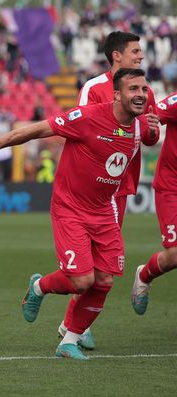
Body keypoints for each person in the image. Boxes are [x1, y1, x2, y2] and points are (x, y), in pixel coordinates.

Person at [0, 68, 159, 360]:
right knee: (82, 280)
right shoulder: (87, 117)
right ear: (117, 94)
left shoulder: (140, 125)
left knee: (104, 280)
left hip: (104, 209)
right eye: (133, 89)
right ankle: (38, 287)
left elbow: (151, 135)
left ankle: (68, 341)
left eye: (144, 90)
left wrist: (155, 128)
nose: (141, 95)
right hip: (70, 207)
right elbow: (36, 130)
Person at [60, 31, 159, 350]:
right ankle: (72, 325)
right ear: (117, 56)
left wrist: (153, 133)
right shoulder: (93, 87)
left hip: (120, 183)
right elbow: (77, 128)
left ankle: (72, 325)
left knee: (102, 264)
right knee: (87, 263)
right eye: (135, 51)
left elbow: (147, 136)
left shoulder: (144, 89)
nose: (140, 56)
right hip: (88, 186)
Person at [131, 93, 177, 315]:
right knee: (175, 255)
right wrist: (151, 123)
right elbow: (153, 115)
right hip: (172, 186)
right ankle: (144, 275)